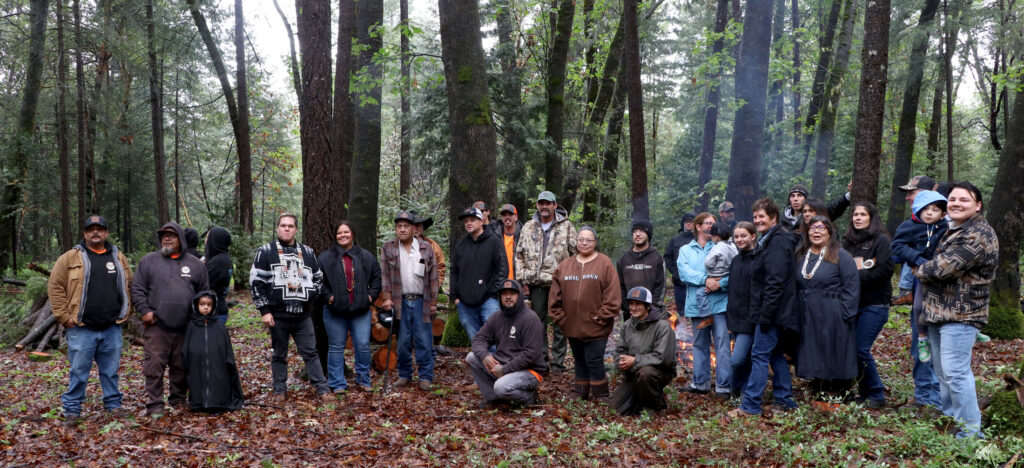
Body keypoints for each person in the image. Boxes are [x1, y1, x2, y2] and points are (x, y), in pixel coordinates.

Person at [915, 182, 997, 439]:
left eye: (964, 199)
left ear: (978, 205)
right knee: (942, 372)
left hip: (963, 315)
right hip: (939, 312)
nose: (956, 203)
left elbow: (942, 269)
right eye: (952, 199)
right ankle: (952, 421)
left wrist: (921, 270)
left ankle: (971, 434)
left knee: (956, 372)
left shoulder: (978, 234)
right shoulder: (955, 229)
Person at [49, 215, 134, 426]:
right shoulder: (69, 258)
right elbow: (55, 286)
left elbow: (130, 285)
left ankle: (114, 406)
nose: (95, 232)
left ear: (106, 233)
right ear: (85, 233)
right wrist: (64, 316)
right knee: (78, 371)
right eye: (91, 229)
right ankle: (72, 410)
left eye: (99, 229)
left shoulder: (118, 257)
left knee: (111, 370)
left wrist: (127, 312)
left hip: (111, 326)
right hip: (82, 327)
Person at [730, 198, 800, 418]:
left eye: (762, 216)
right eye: (755, 217)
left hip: (774, 312)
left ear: (774, 218)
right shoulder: (769, 240)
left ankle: (750, 405)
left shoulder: (778, 242)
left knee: (759, 355)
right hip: (776, 311)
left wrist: (766, 315)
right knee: (776, 354)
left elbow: (775, 282)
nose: (757, 220)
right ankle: (784, 399)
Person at [249, 213, 330, 402]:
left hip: (302, 315)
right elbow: (256, 282)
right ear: (277, 228)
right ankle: (279, 390)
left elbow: (318, 278)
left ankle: (322, 389)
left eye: (290, 226)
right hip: (277, 315)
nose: (287, 229)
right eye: (283, 225)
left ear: (296, 229)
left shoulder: (308, 252)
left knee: (311, 352)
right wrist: (264, 310)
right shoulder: (266, 251)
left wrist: (310, 294)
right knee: (279, 354)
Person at [132, 222, 210, 417]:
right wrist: (144, 310)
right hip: (157, 325)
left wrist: (201, 316)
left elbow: (205, 292)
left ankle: (178, 400)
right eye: (164, 235)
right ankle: (155, 404)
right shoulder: (148, 261)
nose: (166, 238)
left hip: (186, 326)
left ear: (181, 239)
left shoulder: (194, 264)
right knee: (154, 366)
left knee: (181, 366)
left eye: (171, 235)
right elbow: (137, 288)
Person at [549, 226, 621, 403]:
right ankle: (580, 391)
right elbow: (554, 298)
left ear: (595, 243)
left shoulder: (604, 264)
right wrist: (562, 319)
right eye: (581, 239)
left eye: (588, 240)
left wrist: (602, 316)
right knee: (579, 358)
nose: (584, 243)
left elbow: (612, 294)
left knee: (594, 358)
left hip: (597, 324)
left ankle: (601, 394)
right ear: (576, 242)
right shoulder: (565, 266)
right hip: (571, 325)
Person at [891, 190, 947, 408]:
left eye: (935, 210)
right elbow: (896, 248)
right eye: (926, 209)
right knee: (921, 342)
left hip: (947, 293)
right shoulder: (909, 227)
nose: (930, 213)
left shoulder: (946, 228)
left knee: (942, 348)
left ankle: (939, 397)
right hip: (922, 287)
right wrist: (916, 258)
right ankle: (924, 396)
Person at [793, 216, 860, 395]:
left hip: (833, 311)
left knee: (833, 347)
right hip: (807, 311)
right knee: (812, 348)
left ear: (830, 233)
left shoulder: (840, 255)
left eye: (821, 228)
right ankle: (818, 383)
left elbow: (852, 286)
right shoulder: (801, 254)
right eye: (813, 228)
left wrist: (846, 313)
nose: (816, 231)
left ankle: (839, 389)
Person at [515, 190, 577, 373]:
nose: (544, 206)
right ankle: (541, 360)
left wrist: (571, 277)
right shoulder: (528, 226)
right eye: (541, 203)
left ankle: (558, 363)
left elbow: (576, 253)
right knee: (536, 323)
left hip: (559, 283)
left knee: (559, 322)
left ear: (554, 205)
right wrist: (522, 279)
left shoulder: (566, 227)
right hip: (535, 283)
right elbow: (519, 255)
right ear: (537, 206)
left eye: (548, 203)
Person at [841, 202, 894, 408]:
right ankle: (863, 393)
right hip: (853, 304)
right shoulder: (848, 242)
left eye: (863, 214)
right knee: (853, 349)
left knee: (861, 348)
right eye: (855, 214)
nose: (858, 218)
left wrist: (855, 276)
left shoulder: (881, 240)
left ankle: (877, 393)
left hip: (876, 304)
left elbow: (884, 270)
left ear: (871, 218)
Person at [319, 221, 382, 392]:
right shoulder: (325, 258)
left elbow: (377, 278)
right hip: (335, 311)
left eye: (346, 232)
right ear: (335, 235)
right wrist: (329, 297)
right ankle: (337, 383)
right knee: (336, 346)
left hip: (360, 311)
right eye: (339, 233)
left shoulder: (366, 256)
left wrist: (369, 297)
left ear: (352, 234)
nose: (343, 235)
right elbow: (318, 281)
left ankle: (363, 380)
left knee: (362, 345)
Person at [380, 211, 440, 390]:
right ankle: (405, 374)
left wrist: (434, 302)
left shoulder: (425, 248)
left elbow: (434, 276)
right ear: (396, 229)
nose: (402, 229)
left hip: (422, 300)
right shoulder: (388, 248)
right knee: (404, 340)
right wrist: (387, 298)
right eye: (399, 226)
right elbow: (385, 275)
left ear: (414, 228)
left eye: (406, 226)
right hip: (400, 301)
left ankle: (425, 376)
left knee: (423, 339)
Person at [467, 279, 545, 408]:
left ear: (519, 296)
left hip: (529, 371)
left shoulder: (531, 319)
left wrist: (504, 369)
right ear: (500, 296)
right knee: (472, 357)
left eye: (512, 293)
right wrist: (485, 356)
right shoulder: (497, 317)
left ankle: (529, 397)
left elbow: (531, 354)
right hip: (503, 364)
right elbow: (479, 338)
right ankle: (493, 399)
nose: (508, 297)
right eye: (504, 294)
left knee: (501, 387)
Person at [677, 213, 731, 398]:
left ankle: (724, 386)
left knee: (722, 344)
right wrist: (705, 280)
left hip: (719, 304)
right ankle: (700, 383)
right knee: (700, 344)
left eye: (713, 223)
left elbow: (733, 271)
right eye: (707, 223)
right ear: (698, 227)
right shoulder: (686, 250)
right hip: (697, 306)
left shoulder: (722, 247)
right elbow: (684, 273)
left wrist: (720, 283)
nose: (710, 226)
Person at [611, 286, 676, 415]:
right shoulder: (627, 325)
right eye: (631, 304)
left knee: (645, 374)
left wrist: (635, 361)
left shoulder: (662, 326)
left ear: (647, 306)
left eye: (638, 304)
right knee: (616, 409)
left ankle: (656, 407)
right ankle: (642, 398)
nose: (633, 308)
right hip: (634, 371)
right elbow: (619, 351)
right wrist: (620, 362)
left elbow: (663, 358)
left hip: (658, 371)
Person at [451, 206, 508, 340]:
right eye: (466, 221)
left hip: (489, 300)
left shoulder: (494, 242)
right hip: (464, 303)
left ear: (482, 221)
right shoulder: (461, 245)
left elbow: (503, 269)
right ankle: (481, 361)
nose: (468, 223)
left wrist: (494, 293)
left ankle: (497, 361)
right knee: (476, 339)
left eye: (472, 220)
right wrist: (455, 297)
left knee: (494, 335)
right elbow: (454, 271)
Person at [182, 290, 244, 412]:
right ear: (196, 305)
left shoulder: (220, 327)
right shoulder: (191, 326)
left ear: (213, 306)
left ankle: (217, 402)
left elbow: (228, 355)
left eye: (209, 304)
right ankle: (199, 403)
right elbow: (185, 351)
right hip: (197, 367)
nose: (205, 307)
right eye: (202, 304)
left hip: (217, 367)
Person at [725, 222, 759, 399]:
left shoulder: (758, 259)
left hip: (751, 318)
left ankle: (738, 388)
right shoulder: (736, 260)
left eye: (743, 235)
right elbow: (733, 291)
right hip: (735, 318)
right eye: (736, 236)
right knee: (743, 359)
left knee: (738, 359)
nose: (739, 239)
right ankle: (740, 392)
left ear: (753, 236)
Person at [893, 175, 938, 305]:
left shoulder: (941, 223)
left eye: (912, 193)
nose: (907, 198)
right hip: (915, 286)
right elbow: (896, 251)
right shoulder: (911, 222)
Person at [616, 218, 666, 321]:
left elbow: (661, 286)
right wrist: (627, 307)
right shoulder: (623, 259)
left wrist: (651, 307)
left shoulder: (657, 258)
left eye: (641, 231)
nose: (637, 234)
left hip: (651, 313)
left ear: (648, 235)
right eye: (634, 231)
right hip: (629, 313)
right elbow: (619, 286)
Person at [700, 222, 737, 321]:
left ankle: (706, 316)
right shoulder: (732, 245)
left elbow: (708, 262)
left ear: (716, 237)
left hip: (716, 275)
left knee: (700, 293)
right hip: (728, 274)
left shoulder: (717, 247)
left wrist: (711, 268)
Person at [664, 212, 696, 320]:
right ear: (682, 224)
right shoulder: (675, 240)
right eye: (686, 222)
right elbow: (667, 257)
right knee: (681, 311)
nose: (688, 224)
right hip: (679, 282)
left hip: (696, 282)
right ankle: (683, 333)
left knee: (697, 309)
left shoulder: (699, 239)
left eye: (691, 222)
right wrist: (675, 271)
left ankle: (695, 331)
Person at [782, 183, 852, 231]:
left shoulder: (815, 215)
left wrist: (849, 195)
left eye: (799, 195)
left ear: (805, 198)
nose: (795, 199)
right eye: (792, 196)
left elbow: (834, 207)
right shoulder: (781, 220)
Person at [203, 227, 233, 325]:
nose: (205, 240)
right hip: (215, 310)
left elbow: (202, 284)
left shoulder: (218, 262)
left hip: (214, 313)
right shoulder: (222, 259)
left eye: (208, 237)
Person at [498, 204, 522, 279]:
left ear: (516, 217)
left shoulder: (524, 236)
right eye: (504, 215)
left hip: (518, 282)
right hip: (500, 283)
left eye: (510, 214)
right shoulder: (496, 237)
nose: (507, 217)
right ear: (502, 218)